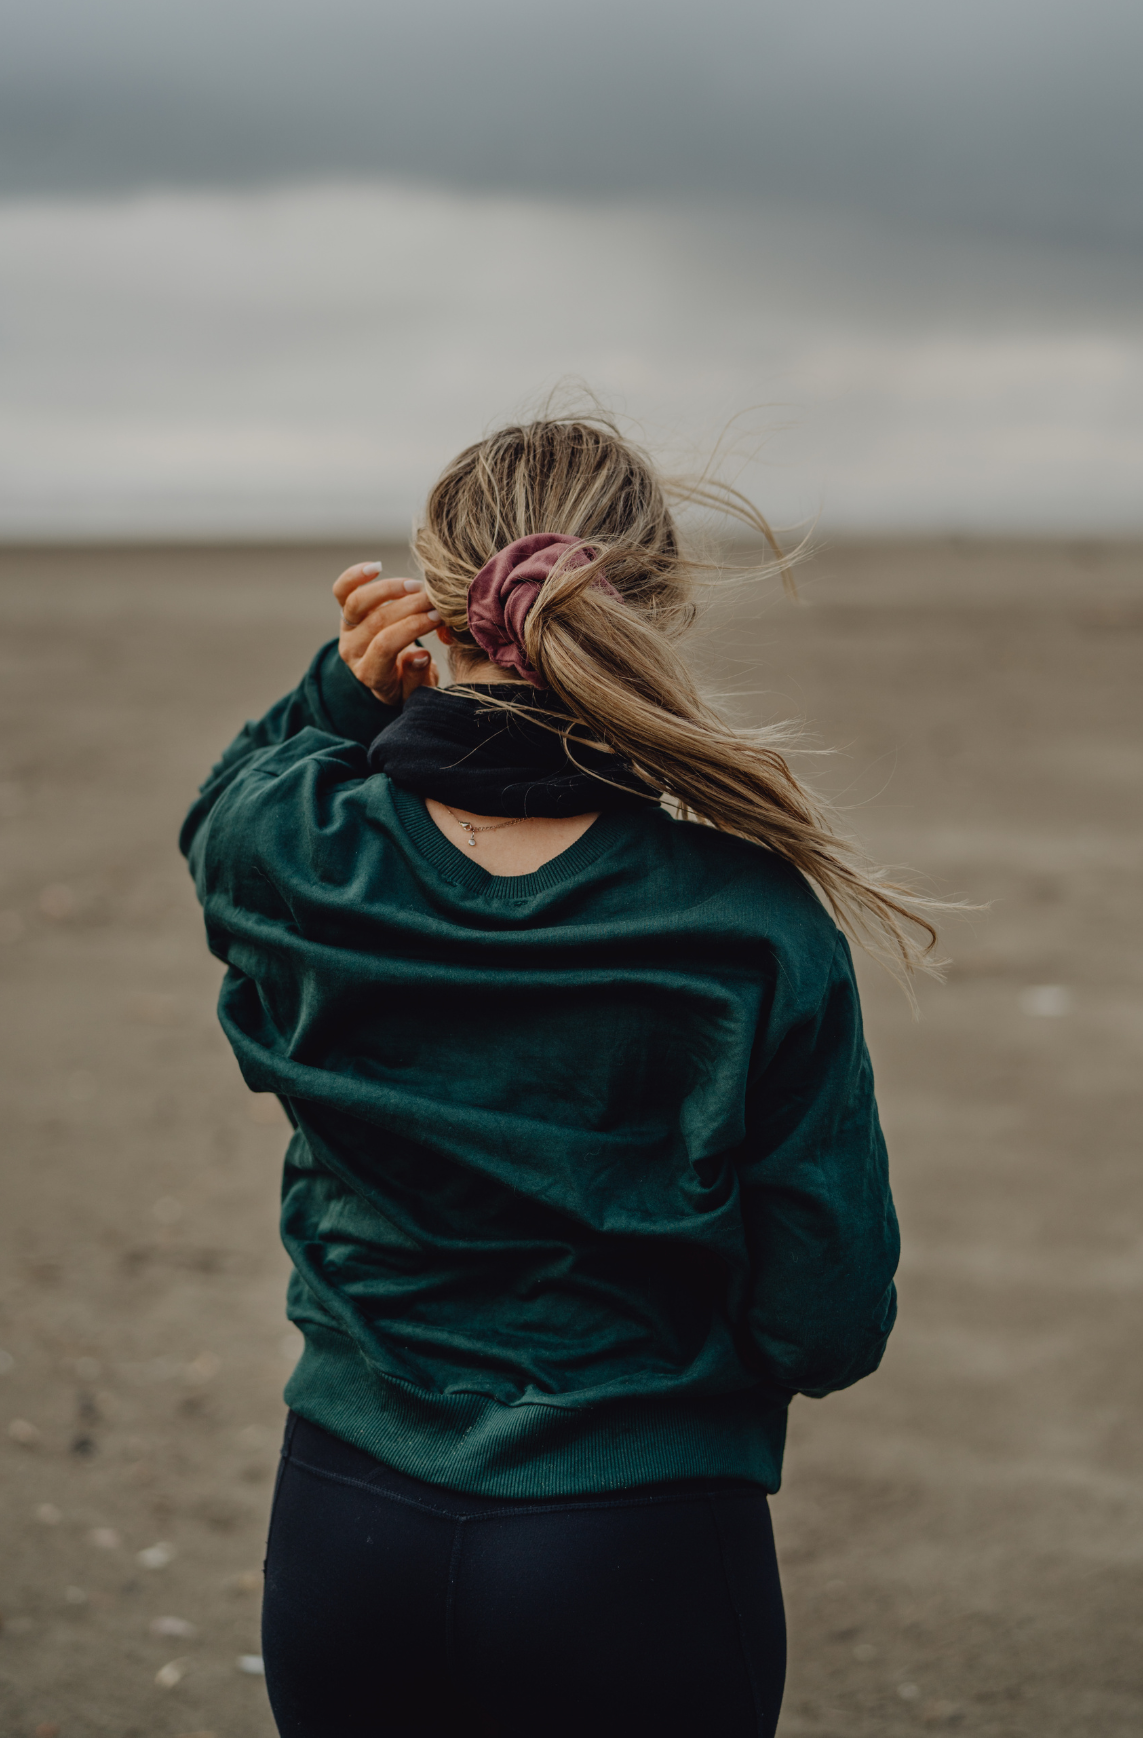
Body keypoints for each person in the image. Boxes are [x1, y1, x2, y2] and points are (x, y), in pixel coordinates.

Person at [181, 416, 939, 1737]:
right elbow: (828, 1319)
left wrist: (342, 696)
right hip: (641, 1539)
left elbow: (227, 802)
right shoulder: (751, 917)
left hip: (350, 1526)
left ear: (430, 608)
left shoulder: (293, 853)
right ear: (658, 612)